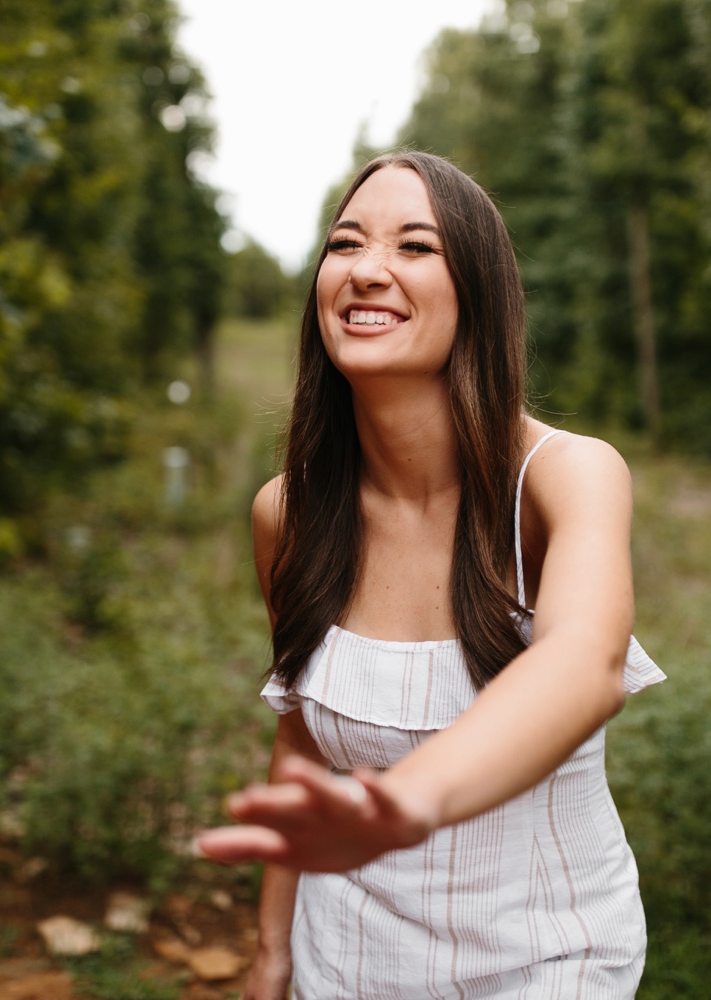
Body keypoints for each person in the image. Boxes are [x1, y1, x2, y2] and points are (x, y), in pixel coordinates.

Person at [193, 150, 666, 999]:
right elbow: (302, 733)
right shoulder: (286, 515)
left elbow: (584, 663)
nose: (369, 271)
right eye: (346, 244)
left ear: (477, 293)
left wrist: (404, 806)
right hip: (343, 961)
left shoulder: (567, 477)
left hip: (548, 962)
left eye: (415, 248)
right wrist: (272, 953)